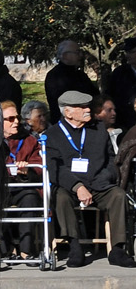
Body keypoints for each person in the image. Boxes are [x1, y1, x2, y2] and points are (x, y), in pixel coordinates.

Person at [45, 89, 135, 269]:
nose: (88, 110)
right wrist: (77, 186)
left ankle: (117, 249)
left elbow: (111, 160)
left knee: (117, 195)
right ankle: (74, 246)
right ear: (68, 112)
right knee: (61, 197)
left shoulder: (98, 129)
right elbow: (56, 168)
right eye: (82, 107)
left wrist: (101, 179)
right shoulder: (52, 135)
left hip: (97, 183)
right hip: (70, 186)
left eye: (88, 106)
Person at [1, 101, 43, 263]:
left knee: (31, 198)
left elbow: (38, 166)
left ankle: (26, 250)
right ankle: (6, 249)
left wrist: (28, 170)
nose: (16, 122)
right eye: (10, 119)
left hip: (22, 186)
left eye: (17, 117)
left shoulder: (28, 140)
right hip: (0, 188)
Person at [44, 40, 95, 124]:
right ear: (65, 56)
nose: (80, 56)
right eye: (77, 52)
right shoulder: (55, 76)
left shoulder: (80, 75)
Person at [108, 37, 136, 134]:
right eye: (127, 52)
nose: (128, 56)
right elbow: (110, 96)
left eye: (132, 52)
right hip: (125, 125)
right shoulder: (119, 73)